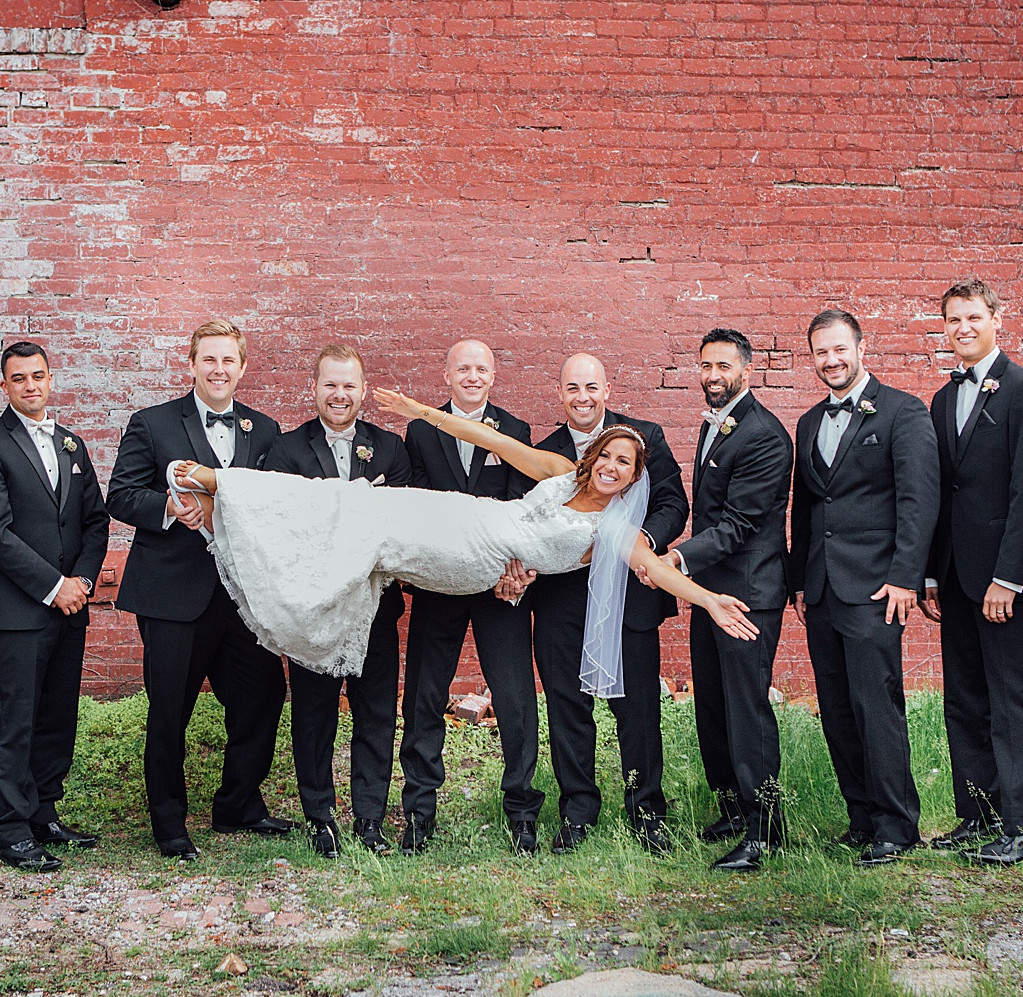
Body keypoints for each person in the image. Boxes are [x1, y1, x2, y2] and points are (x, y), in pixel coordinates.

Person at [175, 411, 759, 686]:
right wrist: (423, 413)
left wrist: (709, 600)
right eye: (605, 456)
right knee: (350, 503)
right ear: (593, 457)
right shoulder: (559, 471)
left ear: (633, 480)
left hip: (475, 561)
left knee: (358, 515)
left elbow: (659, 568)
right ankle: (224, 492)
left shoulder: (613, 531)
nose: (610, 467)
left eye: (622, 465)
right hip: (463, 515)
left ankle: (232, 502)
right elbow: (493, 438)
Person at [105, 317, 289, 859]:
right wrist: (166, 505)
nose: (218, 368)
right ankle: (169, 822)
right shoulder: (152, 423)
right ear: (191, 364)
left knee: (263, 695)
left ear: (242, 366)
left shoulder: (265, 431)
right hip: (171, 596)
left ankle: (238, 803)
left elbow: (274, 504)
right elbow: (120, 495)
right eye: (209, 359)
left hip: (241, 597)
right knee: (169, 710)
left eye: (228, 359)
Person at [789, 309, 939, 864]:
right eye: (820, 352)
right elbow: (806, 506)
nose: (831, 361)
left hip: (877, 587)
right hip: (823, 589)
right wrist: (800, 580)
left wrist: (906, 578)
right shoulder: (807, 423)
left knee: (876, 704)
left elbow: (917, 501)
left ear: (861, 347)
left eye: (839, 350)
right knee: (836, 706)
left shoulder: (902, 412)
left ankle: (897, 826)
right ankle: (861, 817)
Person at [522, 353, 688, 853]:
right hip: (560, 602)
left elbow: (673, 504)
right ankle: (577, 809)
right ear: (561, 394)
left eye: (591, 387)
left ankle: (647, 811)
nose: (583, 397)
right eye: (572, 388)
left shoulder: (646, 439)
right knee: (568, 708)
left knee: (637, 710)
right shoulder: (545, 452)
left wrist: (643, 545)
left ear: (608, 389)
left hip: (630, 598)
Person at [921, 278, 1023, 864]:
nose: (963, 328)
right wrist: (930, 573)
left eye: (973, 317)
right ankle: (978, 816)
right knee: (966, 700)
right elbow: (938, 494)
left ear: (997, 320)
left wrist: (1008, 577)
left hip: (1007, 581)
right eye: (953, 320)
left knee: (1017, 700)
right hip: (956, 579)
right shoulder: (941, 398)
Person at [0, 341, 111, 872]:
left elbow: (96, 520)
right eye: (18, 378)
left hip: (72, 607)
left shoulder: (71, 444)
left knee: (57, 716)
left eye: (38, 376)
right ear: (3, 386)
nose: (30, 385)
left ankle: (45, 810)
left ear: (51, 380)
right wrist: (54, 585)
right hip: (19, 611)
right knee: (17, 720)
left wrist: (84, 581)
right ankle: (13, 828)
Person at [390, 339, 543, 852]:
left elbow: (526, 512)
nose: (472, 376)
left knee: (517, 698)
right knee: (424, 697)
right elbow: (411, 505)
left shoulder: (515, 431)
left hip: (500, 589)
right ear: (447, 375)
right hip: (440, 587)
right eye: (463, 368)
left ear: (493, 376)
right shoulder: (421, 429)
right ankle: (419, 813)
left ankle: (522, 812)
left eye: (481, 369)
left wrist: (520, 573)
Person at [261, 345, 412, 856]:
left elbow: (402, 527)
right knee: (314, 714)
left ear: (363, 390)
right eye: (330, 385)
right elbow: (283, 529)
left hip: (375, 611)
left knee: (376, 715)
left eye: (349, 385)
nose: (340, 394)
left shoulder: (390, 449)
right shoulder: (286, 451)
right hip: (316, 613)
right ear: (315, 388)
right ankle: (319, 817)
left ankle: (370, 818)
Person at [664, 327, 795, 866]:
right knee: (713, 707)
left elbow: (739, 524)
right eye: (705, 366)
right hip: (711, 591)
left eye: (723, 367)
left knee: (746, 710)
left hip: (748, 593)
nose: (712, 376)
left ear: (747, 369)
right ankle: (735, 809)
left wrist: (676, 559)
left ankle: (765, 830)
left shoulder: (764, 435)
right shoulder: (719, 423)